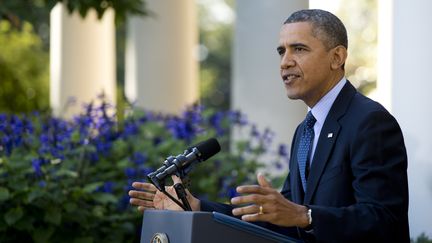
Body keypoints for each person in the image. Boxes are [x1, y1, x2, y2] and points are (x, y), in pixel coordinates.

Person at [128, 9, 409, 242]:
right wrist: (197, 207)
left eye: (298, 49)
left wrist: (305, 216)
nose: (285, 62)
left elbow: (384, 220)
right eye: (281, 51)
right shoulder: (306, 130)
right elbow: (280, 219)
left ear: (337, 57)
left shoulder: (370, 122)